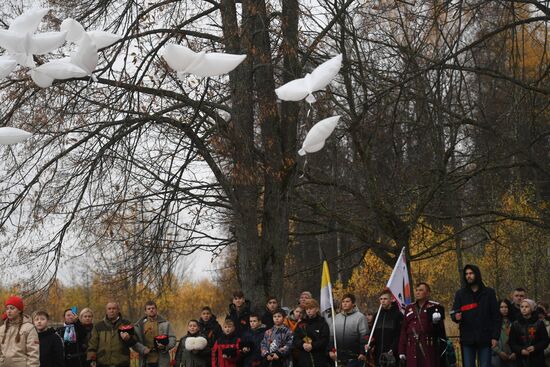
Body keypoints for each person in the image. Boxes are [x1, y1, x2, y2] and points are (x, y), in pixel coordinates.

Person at [451, 264, 500, 367]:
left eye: (471, 273)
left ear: (476, 274)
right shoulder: (460, 294)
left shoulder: (488, 293)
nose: (468, 276)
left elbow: (496, 316)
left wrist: (495, 336)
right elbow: (454, 312)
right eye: (466, 274)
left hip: (485, 337)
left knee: (485, 365)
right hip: (468, 338)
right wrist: (456, 317)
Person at [398, 282, 447, 367]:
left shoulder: (434, 306)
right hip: (411, 345)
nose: (417, 292)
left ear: (427, 293)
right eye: (416, 290)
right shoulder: (409, 308)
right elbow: (404, 330)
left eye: (421, 290)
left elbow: (441, 330)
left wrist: (436, 322)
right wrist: (401, 350)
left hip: (428, 344)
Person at [86, 301, 137, 367]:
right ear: (106, 311)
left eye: (114, 308)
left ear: (118, 310)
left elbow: (134, 341)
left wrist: (128, 339)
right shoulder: (98, 326)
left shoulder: (126, 324)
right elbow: (92, 344)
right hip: (102, 363)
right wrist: (92, 360)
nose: (111, 311)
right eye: (109, 309)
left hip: (122, 363)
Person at [329, 293, 369, 367]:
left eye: (347, 301)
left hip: (355, 357)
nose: (345, 303)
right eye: (343, 302)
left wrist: (363, 353)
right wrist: (330, 351)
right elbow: (332, 336)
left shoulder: (360, 317)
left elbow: (364, 336)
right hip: (339, 357)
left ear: (353, 304)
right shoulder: (336, 317)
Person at [133, 300, 177, 367]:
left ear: (156, 310)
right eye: (149, 309)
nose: (151, 310)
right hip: (145, 359)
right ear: (145, 311)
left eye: (153, 308)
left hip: (161, 358)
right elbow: (134, 342)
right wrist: (142, 349)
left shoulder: (165, 324)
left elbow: (172, 338)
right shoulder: (139, 326)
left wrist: (165, 346)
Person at [0, 295, 40, 367]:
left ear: (19, 310)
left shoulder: (29, 328)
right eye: (7, 308)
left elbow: (33, 355)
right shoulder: (2, 329)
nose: (8, 311)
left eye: (12, 308)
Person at [509, 299, 549, 367]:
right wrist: (520, 350)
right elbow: (512, 342)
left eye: (527, 307)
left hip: (537, 359)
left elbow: (545, 341)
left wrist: (535, 347)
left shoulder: (539, 323)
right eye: (522, 307)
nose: (524, 309)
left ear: (532, 308)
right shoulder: (515, 324)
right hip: (521, 359)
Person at [369, 289, 403, 366]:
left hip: (392, 355)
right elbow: (373, 334)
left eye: (385, 299)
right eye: (381, 299)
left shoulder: (398, 315)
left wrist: (392, 350)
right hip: (378, 354)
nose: (382, 301)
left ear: (391, 299)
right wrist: (369, 344)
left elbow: (399, 335)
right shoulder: (377, 315)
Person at [292, 299, 330, 367]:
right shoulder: (301, 324)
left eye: (311, 308)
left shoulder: (322, 323)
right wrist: (302, 344)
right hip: (304, 359)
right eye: (307, 309)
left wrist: (313, 345)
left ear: (317, 309)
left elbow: (325, 340)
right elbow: (295, 338)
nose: (308, 311)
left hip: (318, 358)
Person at [491, 299, 516, 367]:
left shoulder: (514, 323)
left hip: (512, 356)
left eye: (506, 307)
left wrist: (515, 352)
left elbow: (519, 339)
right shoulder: (493, 323)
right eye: (501, 307)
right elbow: (489, 339)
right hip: (497, 356)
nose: (504, 309)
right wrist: (499, 352)